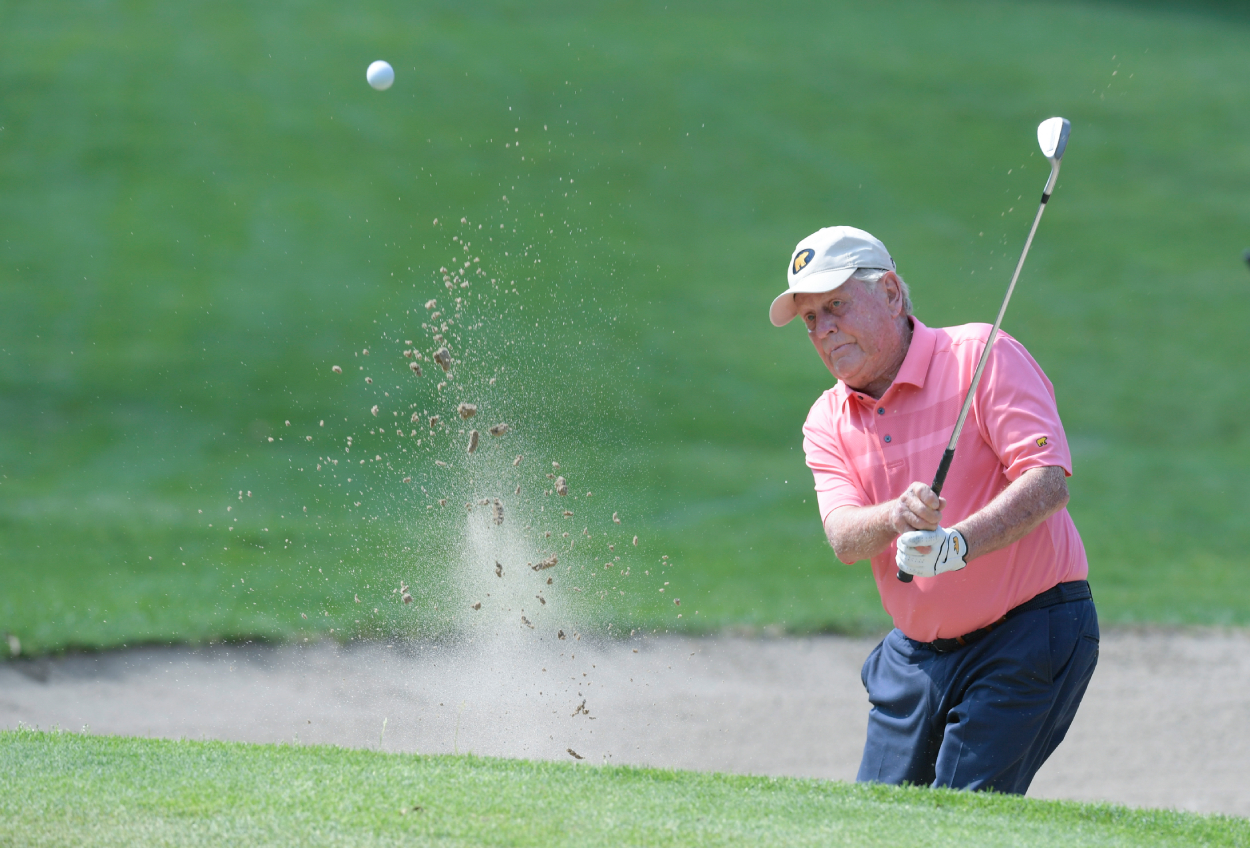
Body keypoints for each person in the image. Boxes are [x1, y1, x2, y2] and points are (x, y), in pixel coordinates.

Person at [770, 225, 1098, 794]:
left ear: (892, 294)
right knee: (874, 824)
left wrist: (957, 545)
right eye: (811, 319)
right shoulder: (826, 419)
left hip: (1026, 632)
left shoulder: (981, 355)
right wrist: (896, 515)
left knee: (959, 822)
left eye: (836, 306)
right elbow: (846, 538)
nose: (824, 330)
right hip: (916, 655)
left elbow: (1047, 484)